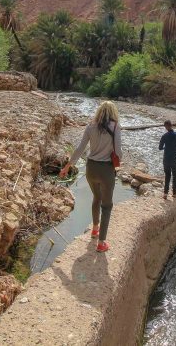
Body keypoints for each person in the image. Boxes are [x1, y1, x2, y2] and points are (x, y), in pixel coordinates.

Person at [59, 101, 122, 253]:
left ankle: (94, 230)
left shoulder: (90, 126)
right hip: (106, 169)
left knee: (96, 197)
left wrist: (67, 167)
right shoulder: (116, 127)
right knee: (107, 205)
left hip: (91, 168)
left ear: (99, 112)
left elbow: (80, 149)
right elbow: (118, 153)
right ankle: (101, 243)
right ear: (113, 112)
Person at [159, 120, 176, 199]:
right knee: (175, 176)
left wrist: (165, 147)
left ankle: (165, 194)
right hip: (174, 159)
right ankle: (174, 193)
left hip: (166, 160)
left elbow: (160, 148)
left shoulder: (164, 136)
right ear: (171, 125)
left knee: (167, 176)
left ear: (166, 127)